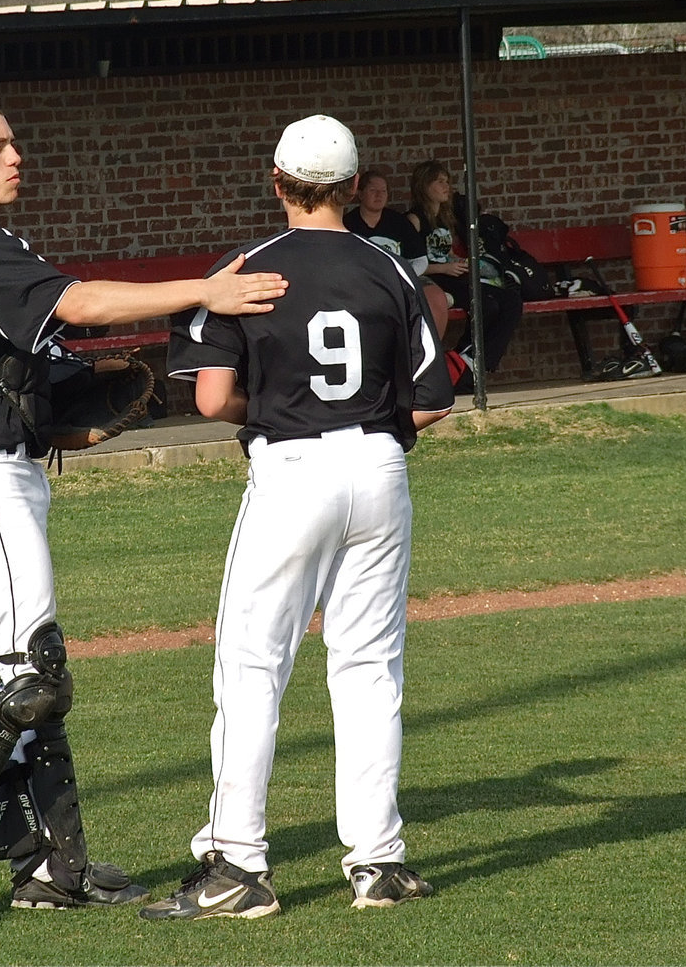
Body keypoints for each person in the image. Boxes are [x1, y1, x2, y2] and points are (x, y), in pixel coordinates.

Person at [0, 90, 287, 923]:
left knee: (35, 673)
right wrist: (203, 291)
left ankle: (52, 867)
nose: (15, 156)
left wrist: (56, 397)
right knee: (27, 678)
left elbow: (5, 360)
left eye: (13, 143)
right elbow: (81, 303)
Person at [141, 115, 452, 921]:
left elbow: (211, 397)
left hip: (292, 465)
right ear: (353, 189)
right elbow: (429, 402)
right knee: (370, 668)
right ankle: (377, 862)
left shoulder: (246, 270)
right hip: (379, 469)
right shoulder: (388, 268)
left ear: (277, 182)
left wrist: (276, 410)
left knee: (252, 669)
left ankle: (238, 867)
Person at [406, 159, 522, 383]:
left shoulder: (445, 218)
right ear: (424, 185)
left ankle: (470, 360)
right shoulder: (414, 220)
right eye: (439, 181)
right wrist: (445, 267)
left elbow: (444, 253)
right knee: (485, 305)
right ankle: (466, 360)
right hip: (434, 279)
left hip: (455, 274)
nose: (446, 186)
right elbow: (413, 264)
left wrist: (460, 262)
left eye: (447, 181)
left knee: (511, 300)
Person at [344, 168, 449, 337]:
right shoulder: (347, 224)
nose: (379, 195)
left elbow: (420, 259)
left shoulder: (399, 222)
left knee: (436, 297)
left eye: (383, 191)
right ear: (360, 194)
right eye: (373, 190)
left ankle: (429, 356)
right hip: (364, 284)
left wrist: (402, 276)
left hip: (400, 280)